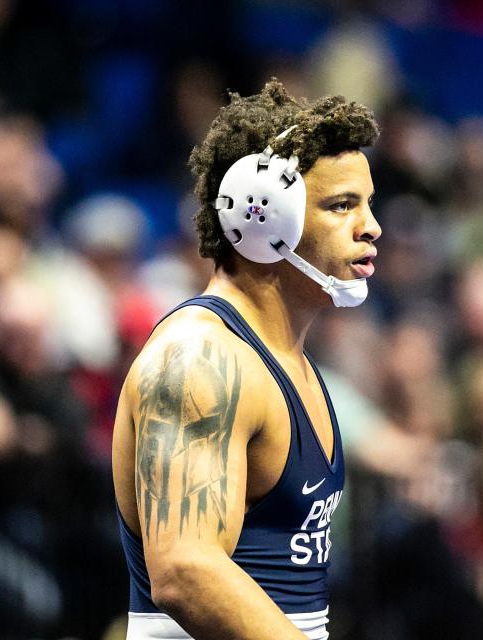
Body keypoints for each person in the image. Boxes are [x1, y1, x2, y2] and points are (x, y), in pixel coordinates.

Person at [111, 80, 381, 639]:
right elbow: (186, 571)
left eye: (368, 204)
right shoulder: (199, 360)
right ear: (263, 220)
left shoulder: (291, 363)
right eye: (341, 206)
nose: (371, 227)